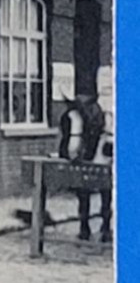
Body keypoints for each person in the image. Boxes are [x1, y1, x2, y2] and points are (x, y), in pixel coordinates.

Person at [60, 91, 112, 242]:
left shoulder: (99, 113)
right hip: (88, 149)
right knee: (89, 189)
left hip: (97, 147)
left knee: (99, 189)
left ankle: (98, 226)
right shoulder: (84, 113)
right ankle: (90, 227)